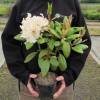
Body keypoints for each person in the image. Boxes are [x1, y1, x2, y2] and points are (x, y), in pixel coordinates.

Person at [1, 0, 91, 100]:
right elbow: (9, 41)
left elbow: (83, 40)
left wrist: (69, 76)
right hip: (30, 88)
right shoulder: (22, 3)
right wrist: (23, 74)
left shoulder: (71, 2)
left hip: (63, 87)